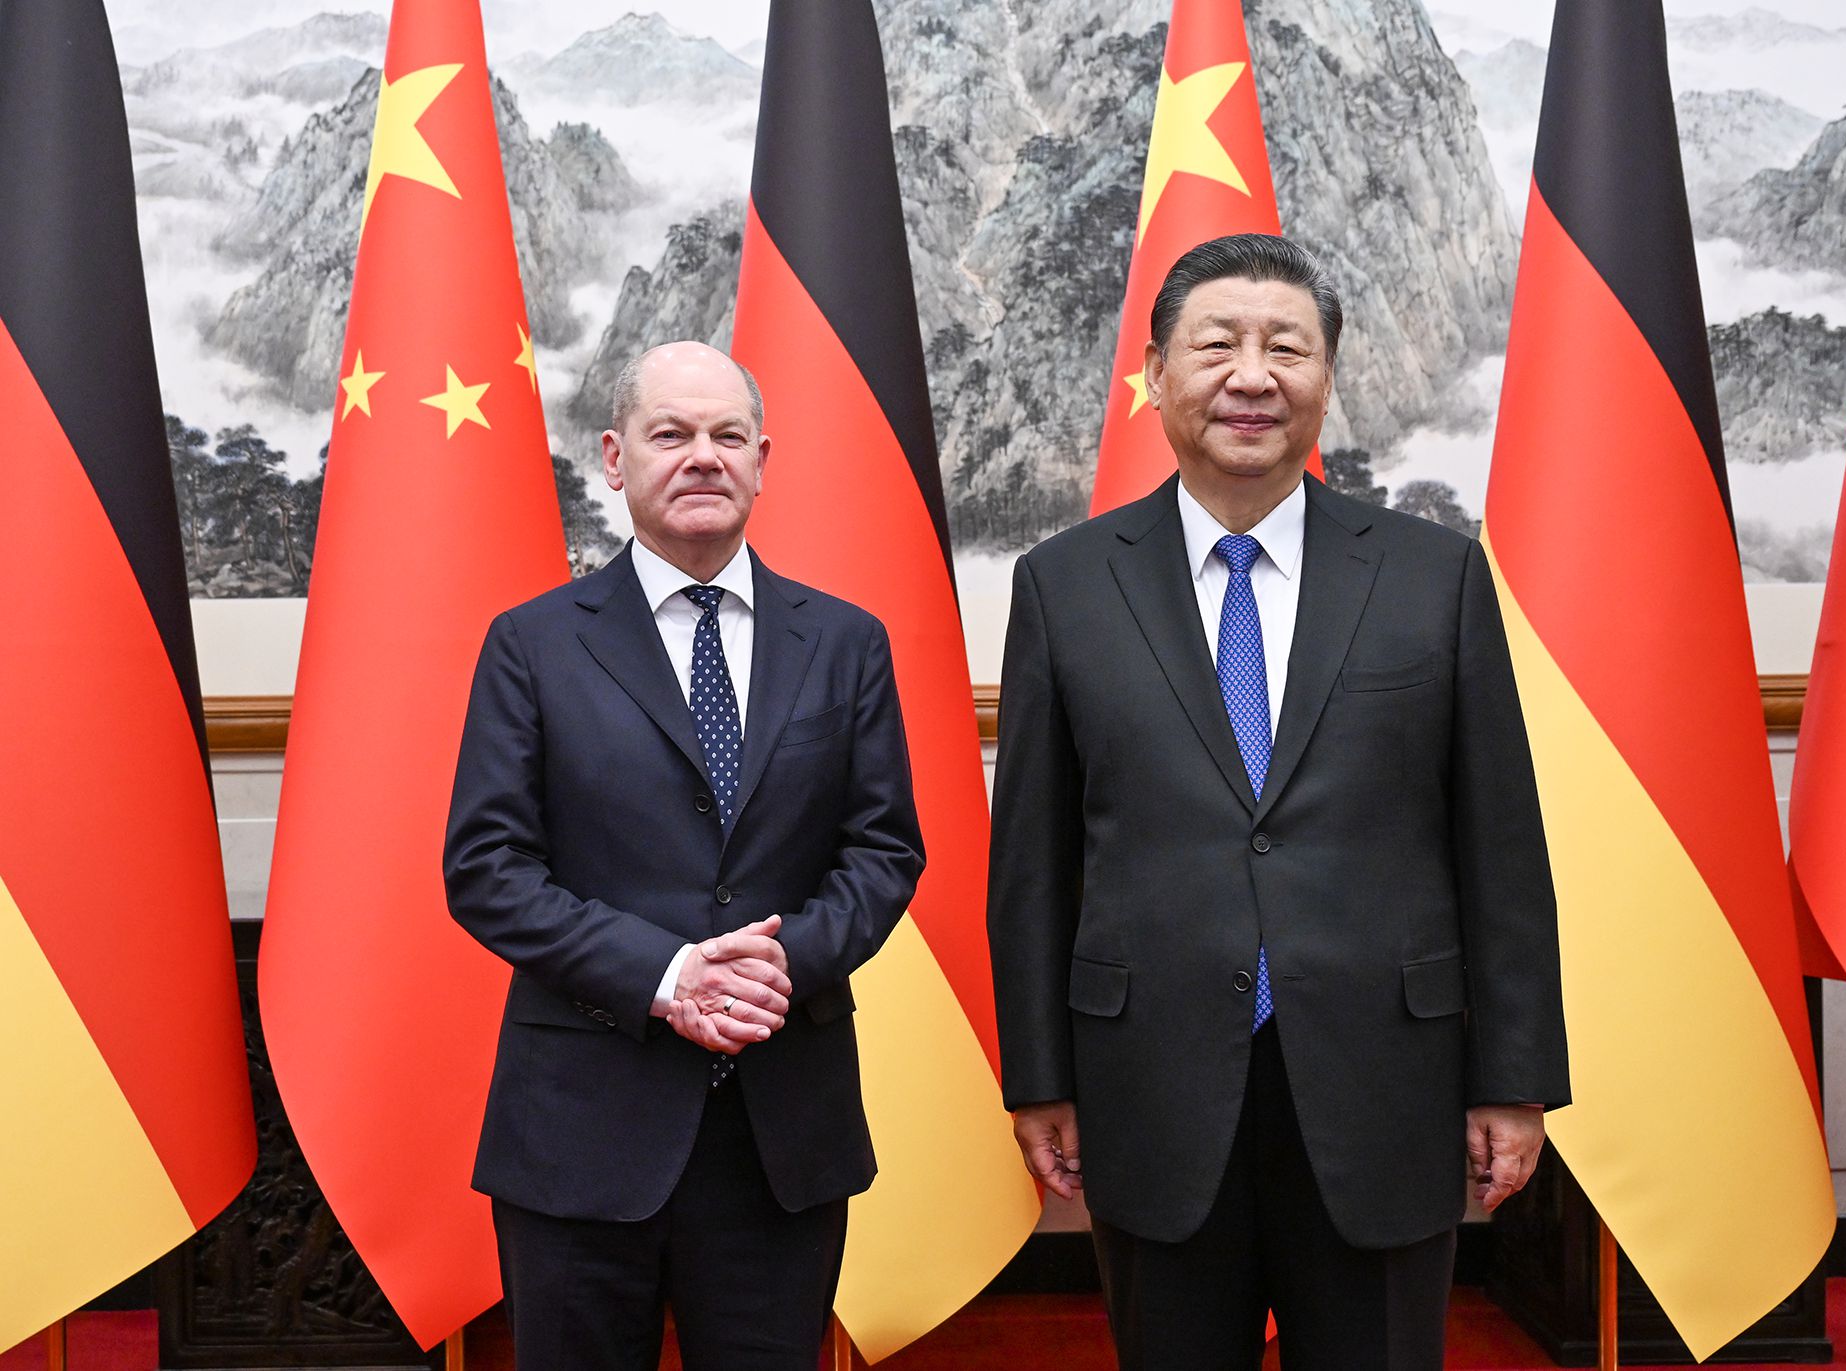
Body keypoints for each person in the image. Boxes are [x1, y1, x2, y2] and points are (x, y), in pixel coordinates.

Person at [987, 234, 1569, 1371]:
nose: (1250, 376)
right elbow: (1035, 861)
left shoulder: (1431, 575)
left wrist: (1514, 1081)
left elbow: (1497, 844)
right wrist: (1038, 1075)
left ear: (1326, 379)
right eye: (1215, 345)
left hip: (1384, 1081)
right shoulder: (1063, 583)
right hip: (1149, 1078)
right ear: (1155, 375)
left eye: (1284, 348)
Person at [443, 341, 924, 1371]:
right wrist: (664, 976)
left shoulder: (844, 643)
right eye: (671, 435)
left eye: (725, 436)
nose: (700, 457)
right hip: (581, 1131)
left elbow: (882, 851)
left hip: (778, 1128)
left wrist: (772, 966)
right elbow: (486, 867)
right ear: (615, 459)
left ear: (761, 460)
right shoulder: (531, 644)